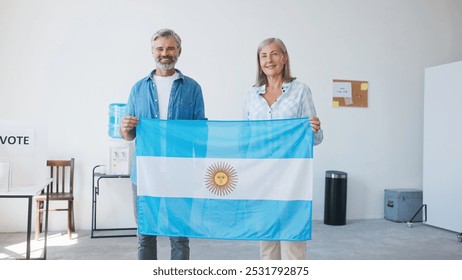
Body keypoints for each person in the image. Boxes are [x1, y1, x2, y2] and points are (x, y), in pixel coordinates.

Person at [119, 28, 206, 260]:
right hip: (146, 174)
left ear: (179, 51)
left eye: (170, 48)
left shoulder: (193, 88)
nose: (164, 53)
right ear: (152, 51)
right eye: (160, 48)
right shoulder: (138, 89)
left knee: (179, 235)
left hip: (181, 173)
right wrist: (126, 127)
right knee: (145, 234)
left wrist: (199, 171)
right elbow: (129, 136)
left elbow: (201, 135)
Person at [243, 38, 323, 260]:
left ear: (284, 58)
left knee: (292, 240)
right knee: (267, 240)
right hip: (261, 176)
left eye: (274, 54)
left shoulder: (301, 91)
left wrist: (315, 129)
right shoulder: (251, 95)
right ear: (259, 62)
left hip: (292, 176)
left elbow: (316, 138)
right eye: (264, 56)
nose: (269, 60)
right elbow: (246, 138)